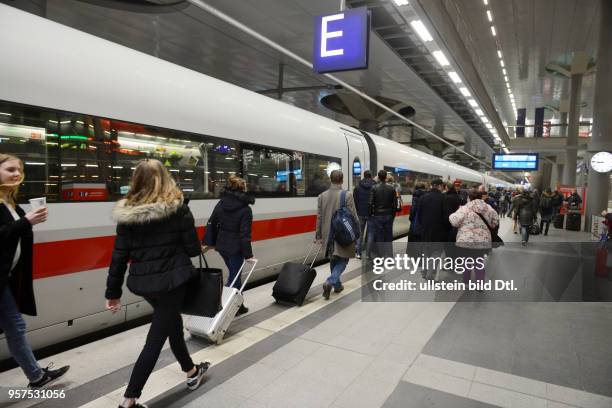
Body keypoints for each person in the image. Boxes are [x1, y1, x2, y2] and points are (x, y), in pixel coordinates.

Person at [106, 159, 209, 408]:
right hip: (174, 281)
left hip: (145, 284)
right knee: (155, 340)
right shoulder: (179, 209)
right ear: (165, 178)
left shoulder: (127, 215)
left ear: (136, 181)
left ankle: (192, 372)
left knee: (172, 325)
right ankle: (129, 400)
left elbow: (119, 257)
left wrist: (113, 292)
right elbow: (193, 249)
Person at [0, 154, 70, 389]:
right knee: (15, 327)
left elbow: (15, 235)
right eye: (10, 169)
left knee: (14, 327)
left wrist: (30, 221)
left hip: (5, 279)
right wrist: (26, 222)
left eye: (19, 170)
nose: (17, 174)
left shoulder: (11, 203)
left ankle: (36, 376)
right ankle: (36, 376)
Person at [203, 175, 255, 315]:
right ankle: (220, 307)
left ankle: (239, 306)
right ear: (242, 189)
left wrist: (210, 243)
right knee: (234, 279)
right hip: (235, 248)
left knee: (234, 274)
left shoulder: (221, 203)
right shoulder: (245, 209)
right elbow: (244, 235)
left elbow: (212, 222)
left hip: (222, 247)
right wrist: (248, 255)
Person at [315, 170, 358, 299]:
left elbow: (319, 217)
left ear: (330, 179)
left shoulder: (321, 196)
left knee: (334, 258)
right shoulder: (347, 195)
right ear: (342, 180)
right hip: (343, 233)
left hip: (328, 233)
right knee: (343, 259)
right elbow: (353, 215)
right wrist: (358, 232)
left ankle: (337, 286)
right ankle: (331, 281)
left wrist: (318, 235)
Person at [449, 188, 499, 286]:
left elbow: (454, 222)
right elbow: (495, 222)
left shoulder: (464, 208)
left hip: (466, 240)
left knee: (466, 260)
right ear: (481, 197)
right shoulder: (488, 208)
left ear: (469, 197)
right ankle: (480, 284)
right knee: (479, 261)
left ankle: (466, 281)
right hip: (482, 241)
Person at [417, 179, 450, 279]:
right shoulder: (444, 198)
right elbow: (446, 216)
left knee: (426, 250)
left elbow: (419, 215)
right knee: (436, 251)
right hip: (439, 230)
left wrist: (422, 226)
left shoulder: (423, 198)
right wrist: (447, 228)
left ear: (431, 186)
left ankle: (425, 271)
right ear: (440, 186)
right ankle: (430, 274)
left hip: (425, 229)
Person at [369, 170, 397, 257]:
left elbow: (370, 203)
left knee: (379, 236)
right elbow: (395, 203)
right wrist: (393, 215)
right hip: (388, 215)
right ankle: (389, 257)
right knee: (388, 236)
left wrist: (372, 213)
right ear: (386, 177)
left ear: (378, 177)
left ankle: (380, 256)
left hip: (378, 215)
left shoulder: (374, 188)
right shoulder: (392, 188)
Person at [352, 170, 375, 259]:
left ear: (364, 176)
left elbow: (354, 201)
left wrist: (357, 211)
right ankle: (368, 254)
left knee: (360, 234)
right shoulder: (375, 186)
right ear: (371, 176)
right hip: (371, 214)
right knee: (370, 234)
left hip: (360, 213)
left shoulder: (357, 187)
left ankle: (358, 253)